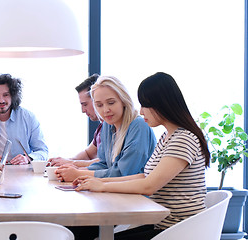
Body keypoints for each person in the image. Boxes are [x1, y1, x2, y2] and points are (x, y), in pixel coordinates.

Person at [73, 72, 210, 240]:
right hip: (163, 225)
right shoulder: (168, 136)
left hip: (179, 230)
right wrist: (99, 182)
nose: (141, 111)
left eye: (145, 105)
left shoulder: (184, 139)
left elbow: (148, 186)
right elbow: (145, 175)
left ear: (162, 104)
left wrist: (101, 186)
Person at [56, 76, 156, 182]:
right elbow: (104, 164)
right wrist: (76, 170)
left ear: (123, 100)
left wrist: (79, 173)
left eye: (111, 103)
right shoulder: (107, 126)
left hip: (137, 196)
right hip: (115, 192)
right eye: (99, 105)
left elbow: (124, 174)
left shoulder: (139, 126)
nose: (105, 110)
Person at [0, 73, 48, 165]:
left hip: (22, 173)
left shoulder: (28, 117)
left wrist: (28, 158)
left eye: (6, 95)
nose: (1, 100)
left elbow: (42, 151)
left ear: (13, 96)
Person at [48, 73, 102, 168]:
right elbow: (88, 154)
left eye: (85, 104)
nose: (83, 110)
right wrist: (66, 161)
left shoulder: (115, 127)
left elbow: (106, 162)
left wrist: (71, 163)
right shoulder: (102, 128)